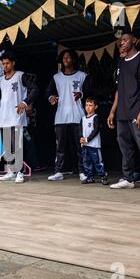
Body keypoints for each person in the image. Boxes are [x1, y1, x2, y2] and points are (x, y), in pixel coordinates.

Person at [107, 30, 140, 194]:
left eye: (124, 40)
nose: (121, 43)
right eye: (120, 41)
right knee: (125, 147)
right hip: (122, 112)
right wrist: (112, 111)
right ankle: (128, 178)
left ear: (134, 40)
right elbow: (118, 89)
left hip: (137, 110)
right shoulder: (121, 62)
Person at [0, 50, 39, 183]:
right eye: (3, 63)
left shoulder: (20, 76)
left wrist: (25, 102)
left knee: (17, 145)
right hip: (4, 116)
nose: (5, 66)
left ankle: (20, 172)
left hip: (17, 116)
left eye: (7, 63)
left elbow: (35, 89)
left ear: (13, 63)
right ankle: (11, 171)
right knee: (7, 145)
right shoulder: (0, 80)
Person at [46, 49, 91, 182]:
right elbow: (47, 92)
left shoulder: (82, 76)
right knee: (60, 146)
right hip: (60, 117)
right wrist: (51, 98)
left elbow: (90, 94)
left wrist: (81, 95)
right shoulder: (56, 77)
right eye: (64, 58)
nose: (65, 60)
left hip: (78, 116)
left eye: (68, 57)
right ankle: (58, 171)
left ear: (74, 60)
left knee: (80, 146)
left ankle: (82, 171)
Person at [80, 97, 108, 185]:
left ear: (95, 107)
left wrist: (88, 139)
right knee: (86, 162)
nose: (88, 107)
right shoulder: (83, 118)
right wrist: (81, 138)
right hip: (85, 145)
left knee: (98, 162)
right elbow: (80, 130)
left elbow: (96, 130)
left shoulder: (95, 118)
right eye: (86, 105)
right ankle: (89, 177)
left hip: (94, 145)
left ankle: (103, 176)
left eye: (90, 105)